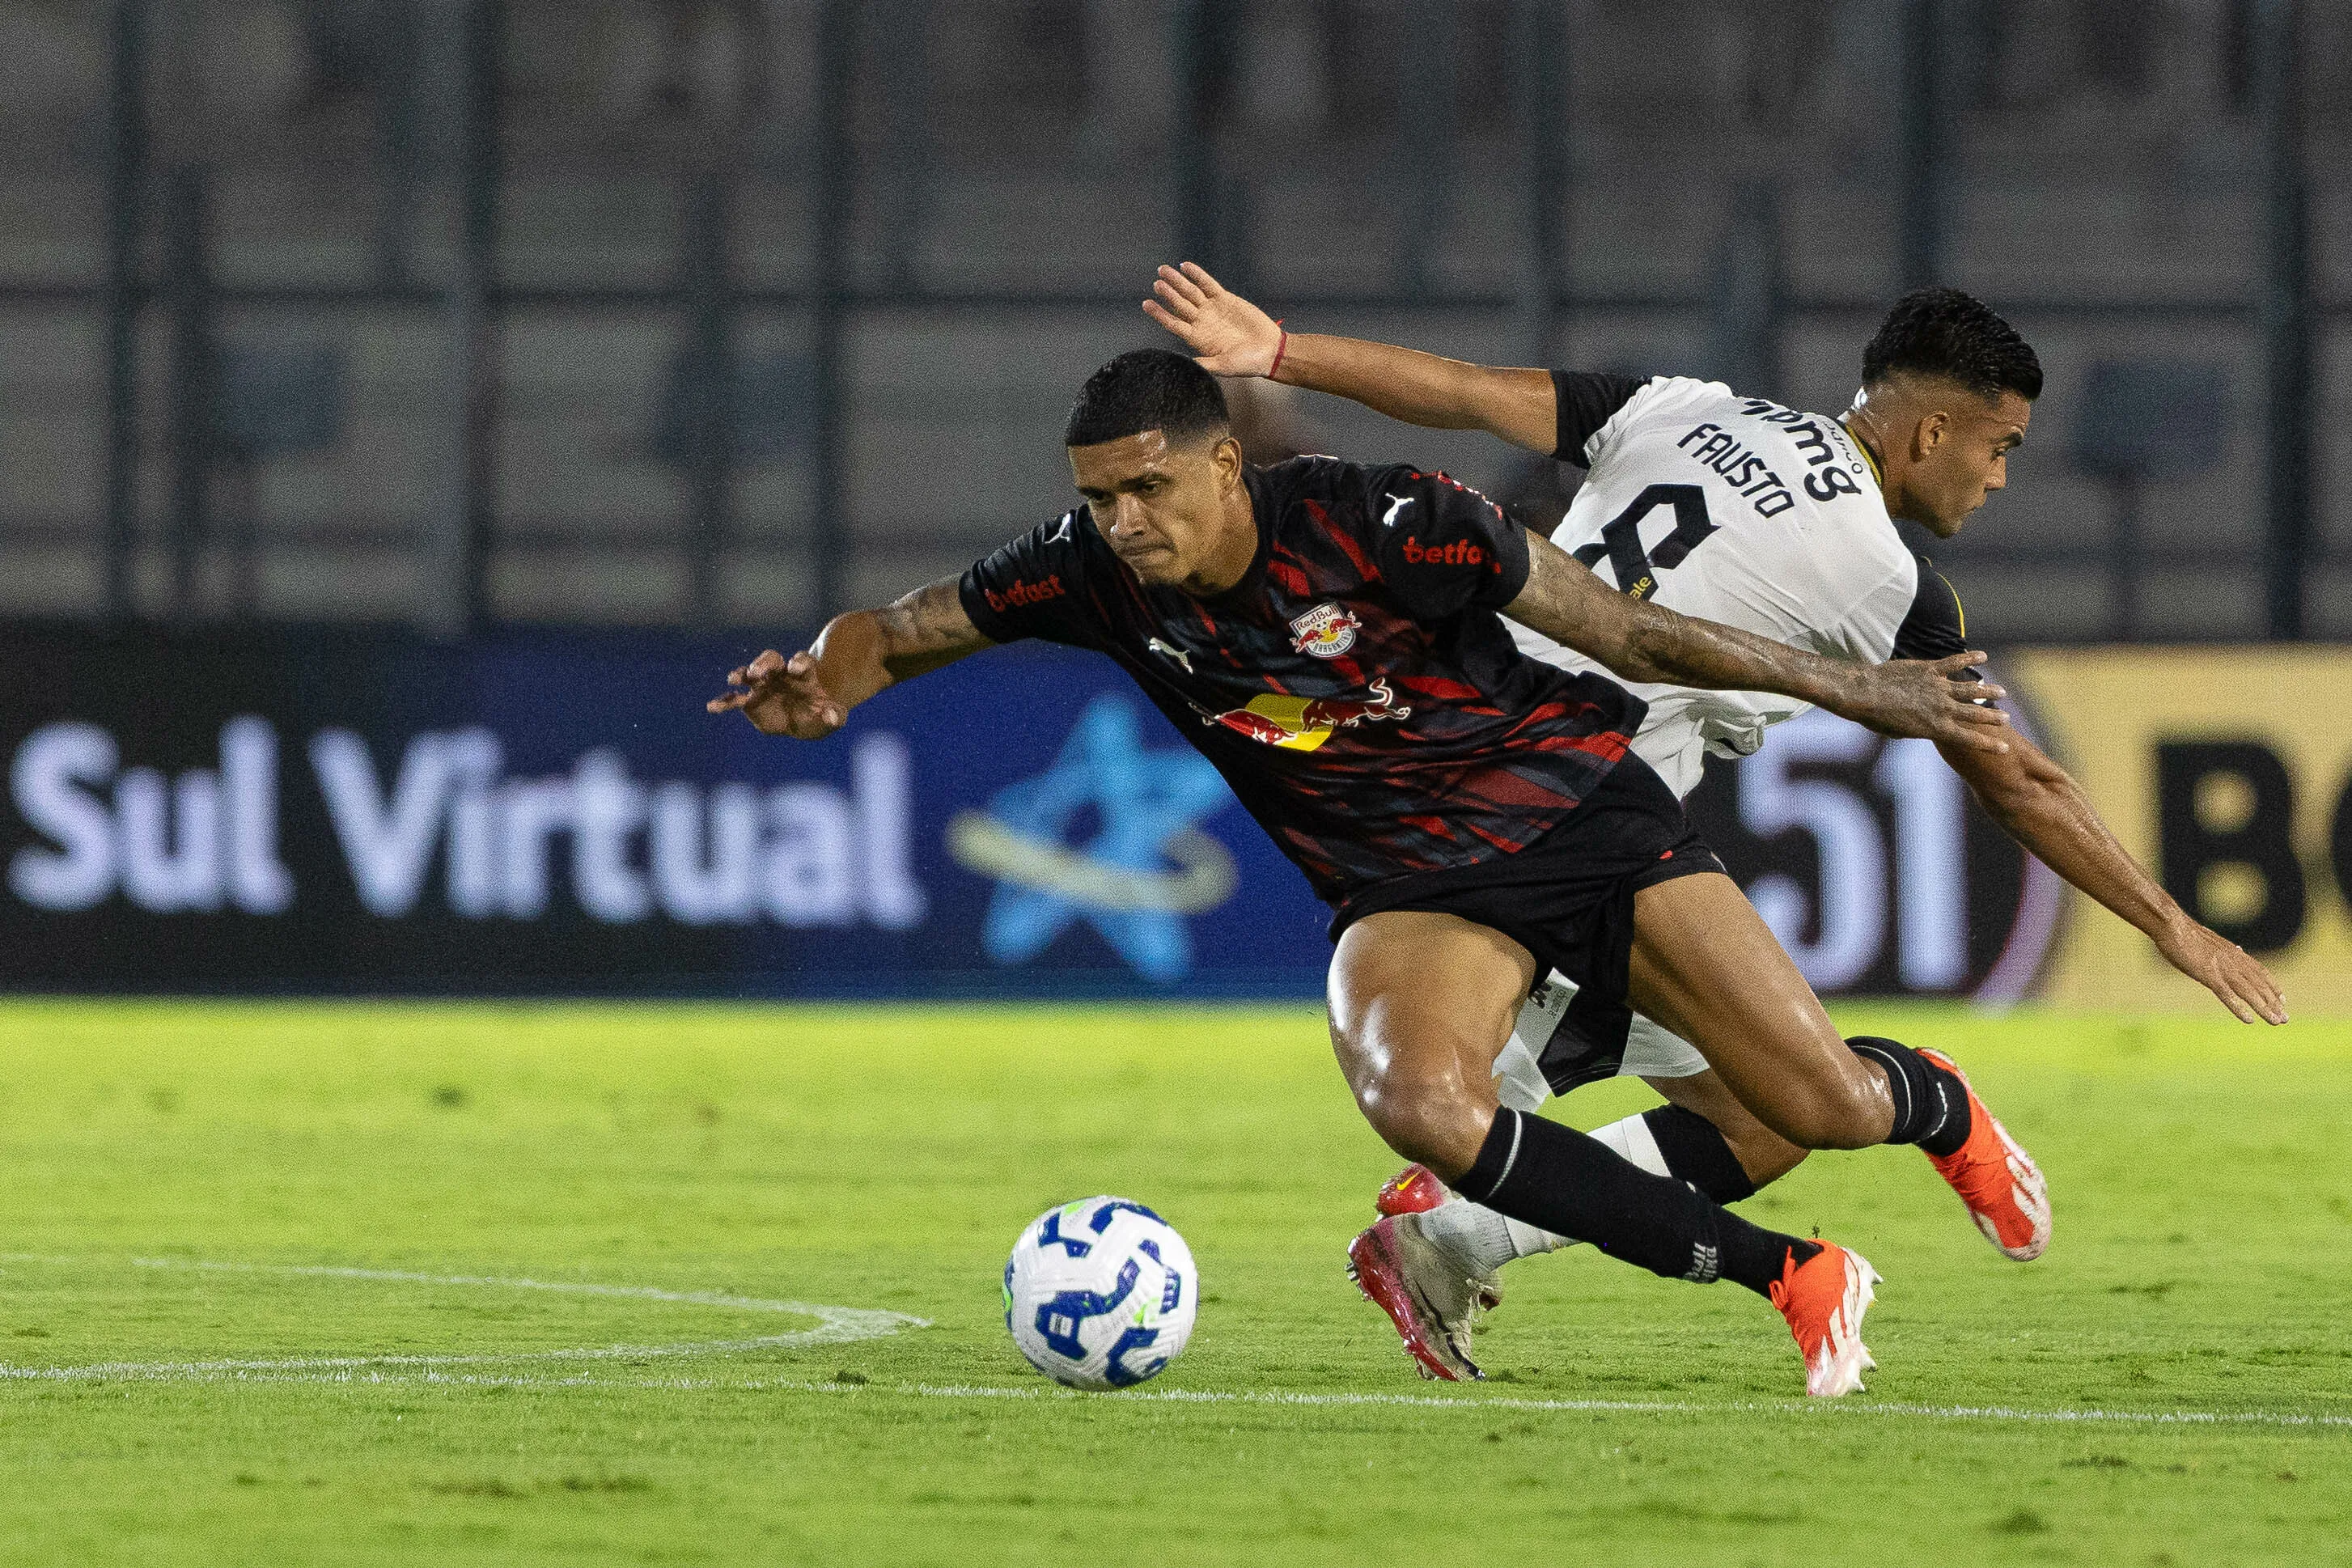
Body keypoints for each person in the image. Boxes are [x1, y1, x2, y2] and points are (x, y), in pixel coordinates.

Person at [710, 347, 2024, 1397]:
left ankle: (1924, 1096)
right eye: (1099, 496)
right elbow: (895, 628)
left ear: (1224, 466)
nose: (1119, 522)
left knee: (1819, 1106)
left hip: (1578, 818)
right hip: (1412, 886)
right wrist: (825, 677)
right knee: (1418, 1101)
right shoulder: (1089, 573)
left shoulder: (1384, 519)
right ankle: (1792, 1276)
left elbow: (1629, 627)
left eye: (1145, 491)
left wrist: (1855, 685)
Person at [1142, 261, 2287, 1371]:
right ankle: (1474, 1236)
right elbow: (2020, 779)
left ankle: (1459, 1240)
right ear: (1931, 432)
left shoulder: (1683, 409)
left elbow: (1467, 389)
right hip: (1553, 828)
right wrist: (2169, 924)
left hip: (1514, 799)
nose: (1997, 478)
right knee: (1488, 1127)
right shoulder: (1886, 580)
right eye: (2000, 448)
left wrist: (1285, 352)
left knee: (1750, 1119)